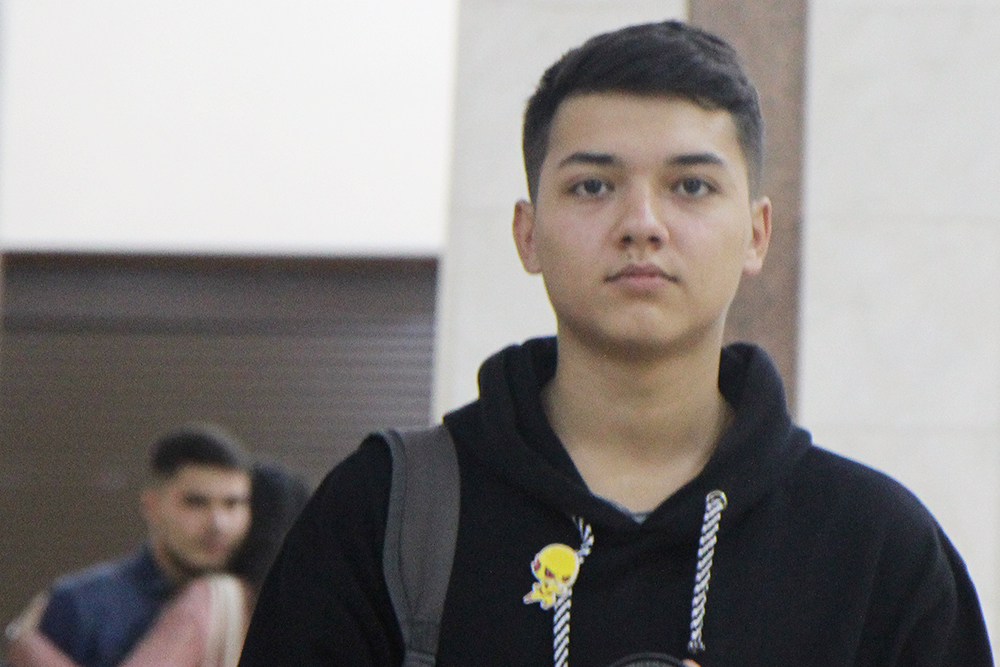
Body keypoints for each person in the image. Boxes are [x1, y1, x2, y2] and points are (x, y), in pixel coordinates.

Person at [237, 20, 993, 667]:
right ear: (528, 234)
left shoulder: (875, 547)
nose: (642, 224)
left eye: (690, 186)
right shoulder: (387, 516)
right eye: (592, 186)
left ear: (756, 234)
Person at [5, 461, 310, 667]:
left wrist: (26, 644)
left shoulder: (215, 598)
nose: (218, 522)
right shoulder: (293, 608)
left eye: (233, 505)